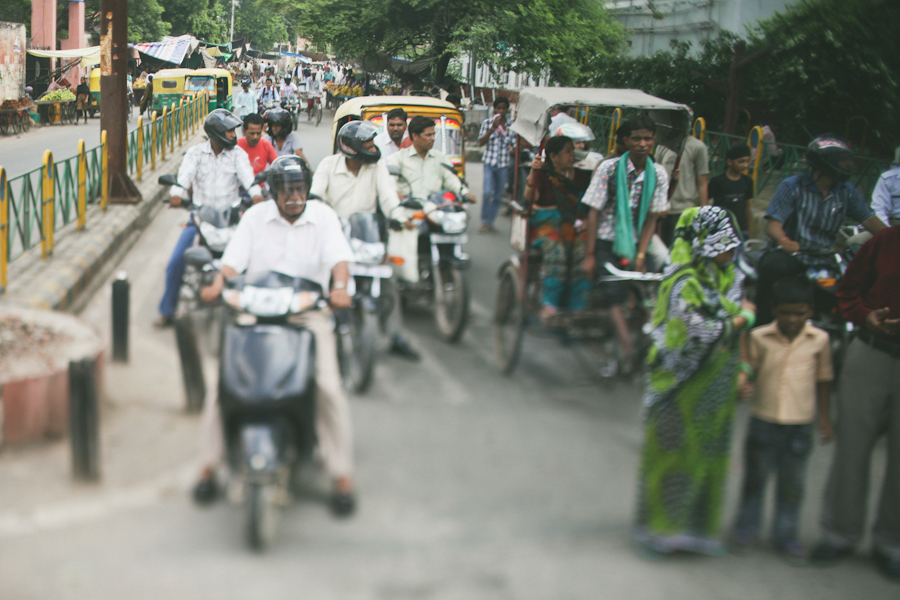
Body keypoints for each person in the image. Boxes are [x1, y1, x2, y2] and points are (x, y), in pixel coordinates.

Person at [195, 155, 358, 516]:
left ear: (307, 189)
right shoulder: (254, 217)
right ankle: (209, 465)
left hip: (306, 311)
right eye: (286, 190)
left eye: (299, 189)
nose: (294, 197)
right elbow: (232, 262)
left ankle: (340, 474)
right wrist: (217, 283)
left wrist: (341, 287)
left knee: (328, 386)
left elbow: (339, 262)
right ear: (273, 191)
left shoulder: (324, 217)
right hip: (256, 306)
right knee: (223, 384)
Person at [634, 205, 754, 557]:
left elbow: (731, 326)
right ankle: (661, 530)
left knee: (708, 454)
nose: (729, 250)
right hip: (677, 387)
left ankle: (697, 530)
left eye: (731, 242)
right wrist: (743, 317)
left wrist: (743, 366)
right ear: (701, 242)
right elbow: (702, 330)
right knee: (672, 456)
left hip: (716, 386)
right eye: (720, 243)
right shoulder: (682, 282)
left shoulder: (730, 276)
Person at [809, 225, 900, 581]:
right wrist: (866, 317)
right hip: (872, 351)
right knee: (853, 445)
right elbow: (847, 291)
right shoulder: (886, 241)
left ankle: (891, 542)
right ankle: (839, 531)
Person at [730, 276, 834, 564]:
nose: (792, 319)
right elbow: (748, 368)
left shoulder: (819, 340)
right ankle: (746, 527)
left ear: (810, 311)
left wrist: (825, 419)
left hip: (799, 424)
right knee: (754, 479)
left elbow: (823, 379)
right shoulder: (759, 336)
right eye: (785, 312)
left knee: (792, 484)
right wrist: (743, 384)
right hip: (763, 419)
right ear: (774, 310)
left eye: (799, 313)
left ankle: (786, 535)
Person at [311, 121, 420, 361]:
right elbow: (316, 198)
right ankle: (318, 332)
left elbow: (389, 198)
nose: (373, 149)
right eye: (367, 145)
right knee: (321, 279)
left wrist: (400, 217)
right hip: (334, 236)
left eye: (373, 144)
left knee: (388, 279)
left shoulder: (377, 166)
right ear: (350, 148)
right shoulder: (328, 166)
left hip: (365, 236)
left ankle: (395, 336)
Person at [756, 135, 887, 326]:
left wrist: (893, 238)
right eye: (841, 161)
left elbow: (870, 220)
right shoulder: (792, 186)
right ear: (823, 164)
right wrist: (785, 242)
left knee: (848, 294)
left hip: (824, 258)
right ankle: (761, 327)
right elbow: (773, 225)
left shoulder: (846, 191)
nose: (846, 165)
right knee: (772, 268)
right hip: (790, 256)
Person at [155, 110, 263, 328]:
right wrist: (176, 195)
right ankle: (167, 311)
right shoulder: (195, 154)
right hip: (200, 219)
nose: (234, 135)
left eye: (234, 131)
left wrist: (257, 196)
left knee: (255, 260)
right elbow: (183, 179)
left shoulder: (238, 155)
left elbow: (249, 181)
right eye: (229, 131)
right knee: (176, 262)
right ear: (216, 133)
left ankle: (256, 308)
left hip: (230, 219)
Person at [581, 115, 670, 369]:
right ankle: (627, 347)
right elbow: (594, 212)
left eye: (648, 138)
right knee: (613, 291)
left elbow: (653, 216)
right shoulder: (608, 169)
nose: (643, 143)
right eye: (637, 138)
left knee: (665, 275)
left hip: (641, 238)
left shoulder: (659, 174)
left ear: (653, 140)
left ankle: (652, 336)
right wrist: (589, 254)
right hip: (607, 237)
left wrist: (641, 256)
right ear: (626, 141)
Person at [523, 135, 590, 317]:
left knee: (584, 253)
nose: (572, 155)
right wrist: (533, 172)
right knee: (557, 252)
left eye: (572, 151)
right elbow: (531, 199)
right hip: (548, 227)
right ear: (554, 156)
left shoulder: (583, 176)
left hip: (576, 227)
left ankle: (578, 304)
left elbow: (588, 205)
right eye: (568, 151)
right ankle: (551, 303)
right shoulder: (543, 174)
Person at [387, 115, 474, 201]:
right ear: (415, 136)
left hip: (435, 208)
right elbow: (390, 182)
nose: (432, 138)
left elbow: (450, 179)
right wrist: (396, 192)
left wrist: (464, 193)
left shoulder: (440, 158)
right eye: (428, 135)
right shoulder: (397, 158)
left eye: (433, 134)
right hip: (408, 208)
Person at [655, 126, 710, 247]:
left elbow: (702, 183)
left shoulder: (698, 147)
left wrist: (704, 212)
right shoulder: (662, 146)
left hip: (685, 209)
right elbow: (656, 177)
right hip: (663, 210)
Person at [477, 96, 517, 232]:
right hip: (489, 162)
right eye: (498, 108)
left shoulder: (512, 126)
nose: (501, 110)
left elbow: (515, 146)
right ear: (494, 109)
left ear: (507, 109)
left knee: (498, 195)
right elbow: (481, 142)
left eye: (503, 108)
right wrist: (493, 129)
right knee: (487, 192)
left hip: (504, 165)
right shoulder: (488, 123)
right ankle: (483, 221)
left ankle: (490, 222)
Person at [708, 144, 754, 238]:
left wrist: (749, 233)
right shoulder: (717, 181)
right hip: (721, 231)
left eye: (747, 161)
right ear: (730, 161)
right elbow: (708, 206)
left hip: (741, 231)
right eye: (741, 162)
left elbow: (748, 208)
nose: (745, 165)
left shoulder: (748, 181)